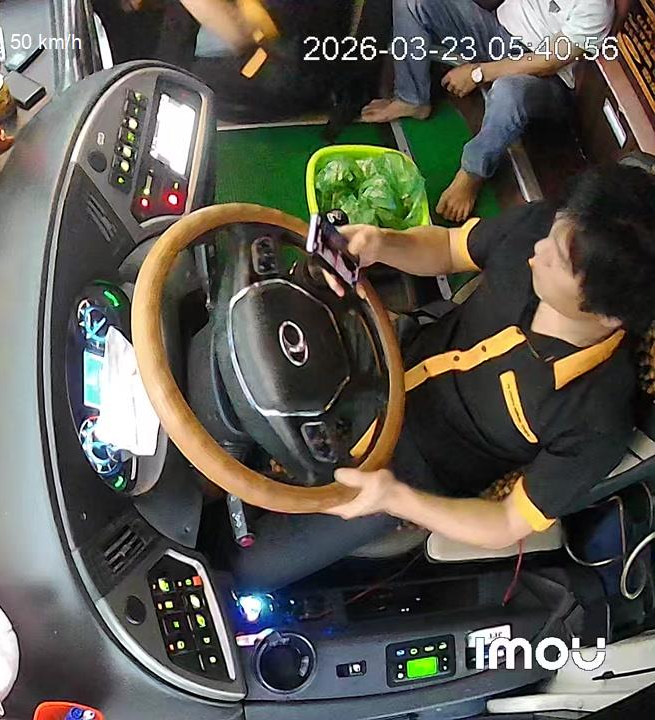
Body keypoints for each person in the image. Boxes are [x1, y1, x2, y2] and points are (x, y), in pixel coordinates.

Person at [228, 162, 655, 591]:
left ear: (608, 314)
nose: (539, 248)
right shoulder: (544, 229)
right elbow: (451, 247)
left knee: (249, 570)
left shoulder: (596, 421)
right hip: (390, 350)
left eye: (557, 260)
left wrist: (397, 498)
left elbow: (507, 522)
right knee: (245, 344)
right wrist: (384, 243)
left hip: (409, 470)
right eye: (554, 229)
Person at [362, 0, 615, 222]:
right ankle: (412, 99)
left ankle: (473, 172)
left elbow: (548, 62)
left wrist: (478, 73)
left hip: (548, 79)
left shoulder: (596, 8)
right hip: (497, 34)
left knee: (508, 91)